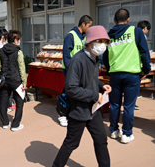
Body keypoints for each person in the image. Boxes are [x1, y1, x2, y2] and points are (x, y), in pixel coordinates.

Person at [53, 25, 111, 167]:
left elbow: (90, 79)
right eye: (99, 41)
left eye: (105, 42)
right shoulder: (78, 60)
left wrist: (101, 85)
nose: (102, 45)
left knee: (101, 139)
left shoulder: (95, 58)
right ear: (90, 42)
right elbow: (71, 88)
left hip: (93, 109)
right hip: (78, 110)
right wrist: (93, 94)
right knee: (71, 143)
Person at [103, 9, 151, 144]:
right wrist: (146, 70)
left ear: (114, 20)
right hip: (132, 74)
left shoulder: (109, 35)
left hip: (115, 75)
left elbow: (105, 57)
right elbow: (144, 52)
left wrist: (109, 70)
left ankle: (113, 131)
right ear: (128, 19)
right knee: (129, 106)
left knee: (114, 104)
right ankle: (126, 133)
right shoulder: (136, 32)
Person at [60, 15, 93, 127]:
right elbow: (66, 56)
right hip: (71, 71)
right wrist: (71, 71)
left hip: (80, 71)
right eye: (89, 25)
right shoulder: (71, 36)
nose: (89, 28)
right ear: (83, 24)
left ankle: (71, 114)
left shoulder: (83, 37)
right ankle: (62, 114)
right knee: (67, 92)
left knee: (75, 94)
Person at [0, 30, 26, 131]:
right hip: (16, 80)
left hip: (4, 79)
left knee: (3, 101)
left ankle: (5, 123)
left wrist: (2, 72)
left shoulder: (1, 50)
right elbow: (22, 68)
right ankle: (15, 125)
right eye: (19, 39)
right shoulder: (18, 52)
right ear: (15, 40)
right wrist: (24, 82)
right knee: (19, 102)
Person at [135, 20, 152, 110]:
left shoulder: (130, 33)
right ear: (145, 28)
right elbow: (144, 52)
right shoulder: (141, 36)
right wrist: (146, 69)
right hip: (135, 66)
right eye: (147, 30)